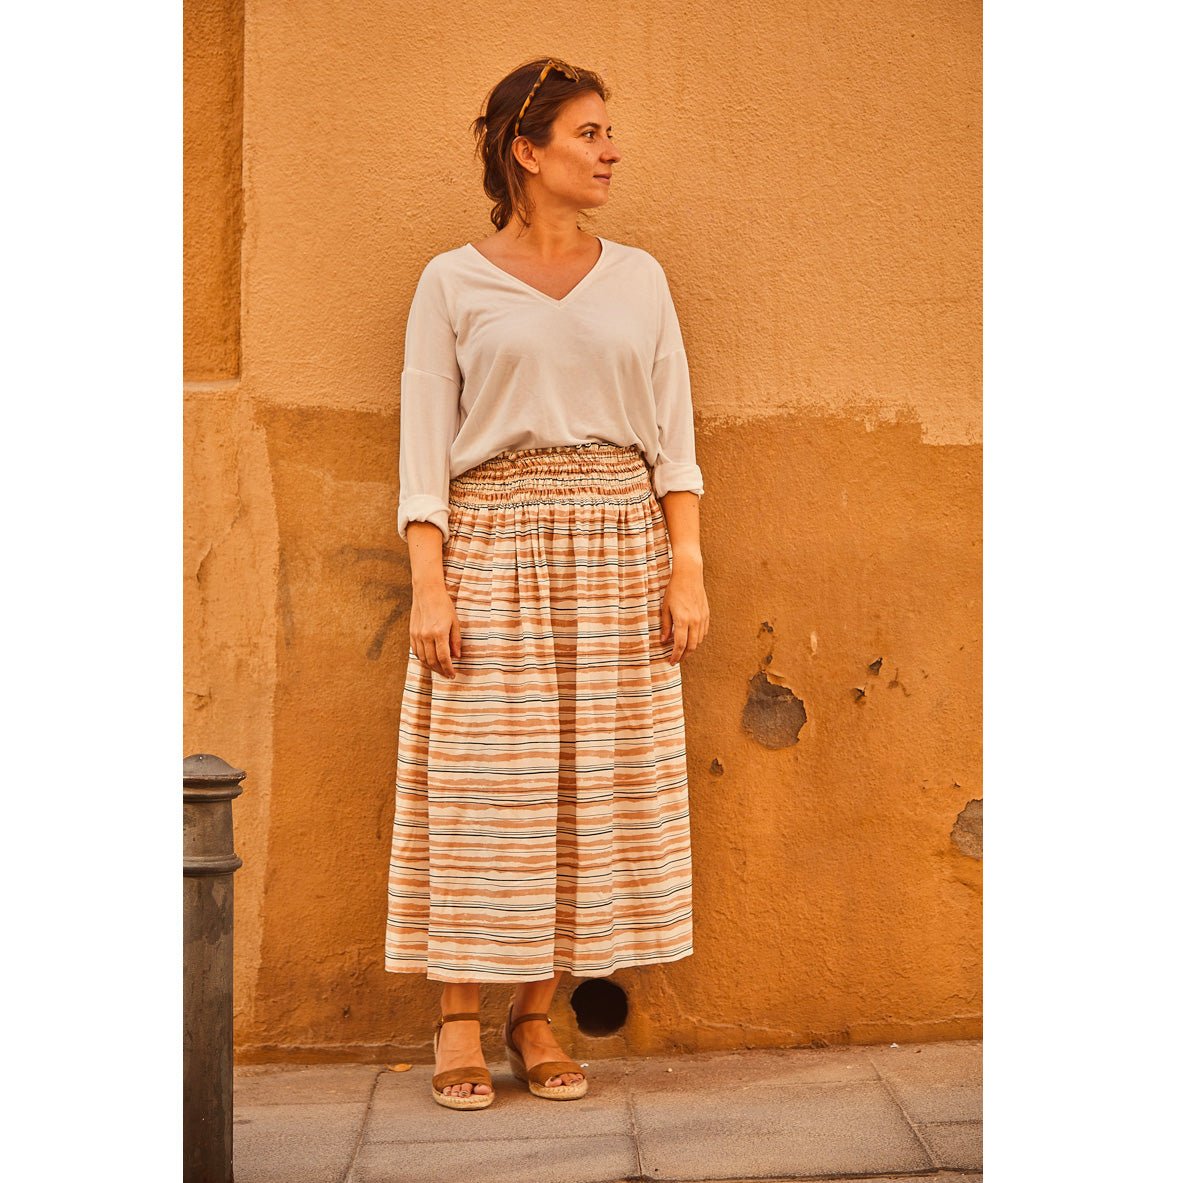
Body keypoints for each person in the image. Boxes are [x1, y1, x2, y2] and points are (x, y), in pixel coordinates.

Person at [384, 57, 709, 1111]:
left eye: (609, 132)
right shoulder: (452, 281)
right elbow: (424, 446)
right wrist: (429, 582)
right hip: (493, 546)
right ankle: (457, 1018)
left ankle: (534, 1015)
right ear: (526, 151)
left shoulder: (640, 278)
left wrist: (685, 565)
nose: (611, 151)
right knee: (486, 789)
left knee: (579, 790)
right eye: (588, 133)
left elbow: (674, 439)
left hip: (618, 550)